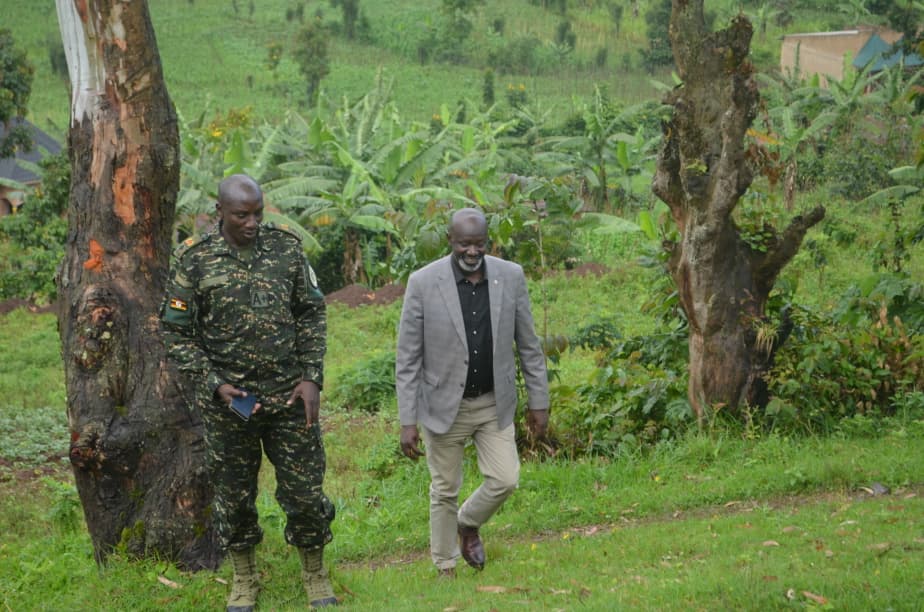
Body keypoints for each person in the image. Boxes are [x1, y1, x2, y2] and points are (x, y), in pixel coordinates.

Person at [161, 174, 337, 610]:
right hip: (230, 406)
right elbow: (176, 334)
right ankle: (244, 579)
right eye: (242, 215)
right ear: (219, 212)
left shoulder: (287, 248)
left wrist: (312, 377)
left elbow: (311, 313)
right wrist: (215, 384)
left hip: (289, 399)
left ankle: (315, 575)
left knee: (305, 495)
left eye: (258, 213)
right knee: (234, 500)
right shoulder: (194, 259)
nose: (253, 222)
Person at [395, 207, 550, 577]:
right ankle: (445, 566)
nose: (472, 251)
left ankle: (468, 523)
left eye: (479, 244)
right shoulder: (423, 282)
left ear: (487, 242)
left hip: (492, 402)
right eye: (464, 243)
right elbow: (408, 357)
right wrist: (407, 420)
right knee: (445, 488)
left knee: (506, 479)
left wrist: (539, 401)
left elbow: (529, 344)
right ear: (451, 241)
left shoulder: (510, 277)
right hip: (442, 405)